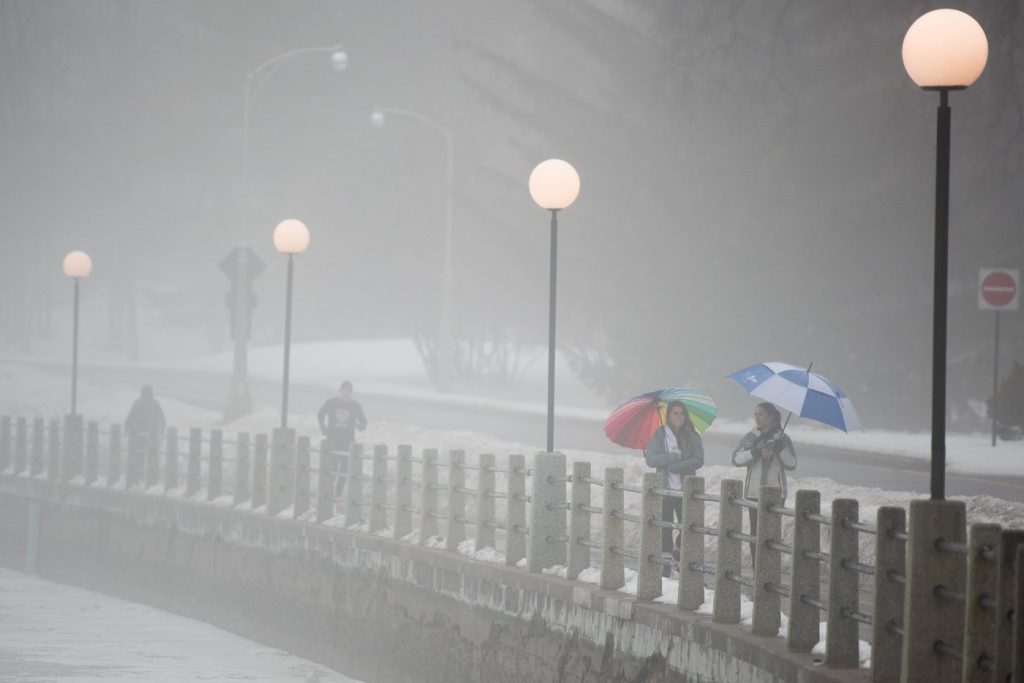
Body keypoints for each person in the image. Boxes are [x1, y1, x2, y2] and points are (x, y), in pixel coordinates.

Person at [731, 401, 797, 566]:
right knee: (755, 532)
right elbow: (736, 459)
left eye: (761, 414)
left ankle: (770, 567)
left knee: (772, 533)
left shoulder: (782, 438)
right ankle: (756, 566)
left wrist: (781, 449)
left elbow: (792, 464)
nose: (757, 418)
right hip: (753, 492)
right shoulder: (750, 437)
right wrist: (755, 451)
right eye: (755, 414)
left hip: (776, 492)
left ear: (771, 416)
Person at [645, 400, 704, 577]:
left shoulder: (692, 436)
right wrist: (672, 456)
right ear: (669, 415)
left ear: (685, 416)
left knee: (688, 527)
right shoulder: (660, 435)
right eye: (675, 413)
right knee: (666, 528)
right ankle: (666, 567)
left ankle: (678, 554)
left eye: (681, 413)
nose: (678, 417)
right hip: (665, 490)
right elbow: (651, 460)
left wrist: (678, 466)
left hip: (686, 490)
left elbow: (698, 459)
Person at [317, 381, 367, 504]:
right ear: (340, 391)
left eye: (348, 390)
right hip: (332, 441)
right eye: (344, 389)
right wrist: (323, 427)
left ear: (351, 392)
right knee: (331, 469)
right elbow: (320, 414)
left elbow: (364, 422)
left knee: (344, 471)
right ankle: (326, 496)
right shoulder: (332, 402)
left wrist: (361, 426)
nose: (346, 392)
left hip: (347, 442)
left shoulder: (355, 406)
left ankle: (337, 497)